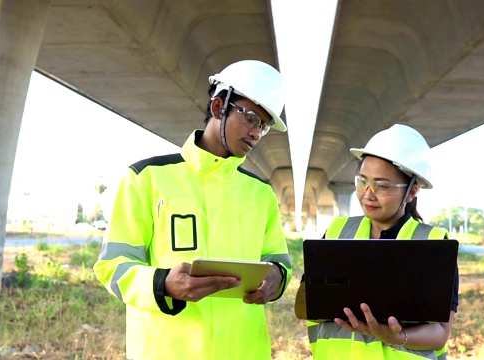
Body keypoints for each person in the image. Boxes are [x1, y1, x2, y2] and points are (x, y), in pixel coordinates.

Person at [94, 60, 293, 360]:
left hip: (244, 350)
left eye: (264, 126)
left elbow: (279, 262)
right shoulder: (146, 178)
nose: (257, 133)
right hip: (167, 351)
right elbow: (112, 266)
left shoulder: (261, 194)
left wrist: (276, 281)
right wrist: (163, 284)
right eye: (252, 118)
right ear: (218, 108)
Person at [295, 124, 459, 360]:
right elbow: (303, 308)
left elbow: (440, 333)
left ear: (413, 191)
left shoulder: (433, 245)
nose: (368, 194)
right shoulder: (337, 233)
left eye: (382, 186)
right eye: (362, 181)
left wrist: (395, 336)